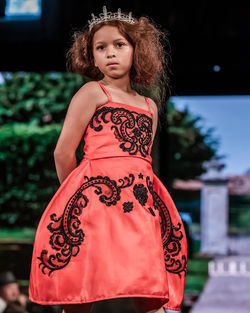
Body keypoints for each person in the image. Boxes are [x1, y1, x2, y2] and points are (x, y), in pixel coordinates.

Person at [28, 6, 188, 313]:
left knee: (147, 283)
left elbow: (142, 161)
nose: (110, 54)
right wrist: (77, 198)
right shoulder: (92, 92)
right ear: (91, 56)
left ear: (136, 50)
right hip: (95, 205)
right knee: (82, 288)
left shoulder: (149, 106)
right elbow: (63, 151)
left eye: (119, 45)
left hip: (138, 206)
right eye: (100, 48)